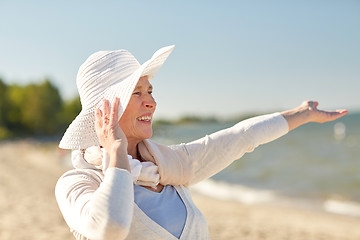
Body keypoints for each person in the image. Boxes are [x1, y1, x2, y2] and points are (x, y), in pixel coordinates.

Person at [55, 45, 348, 240]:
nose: (152, 103)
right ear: (107, 108)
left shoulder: (170, 165)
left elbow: (241, 137)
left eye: (151, 91)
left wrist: (303, 113)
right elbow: (110, 227)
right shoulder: (78, 183)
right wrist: (116, 151)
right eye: (137, 93)